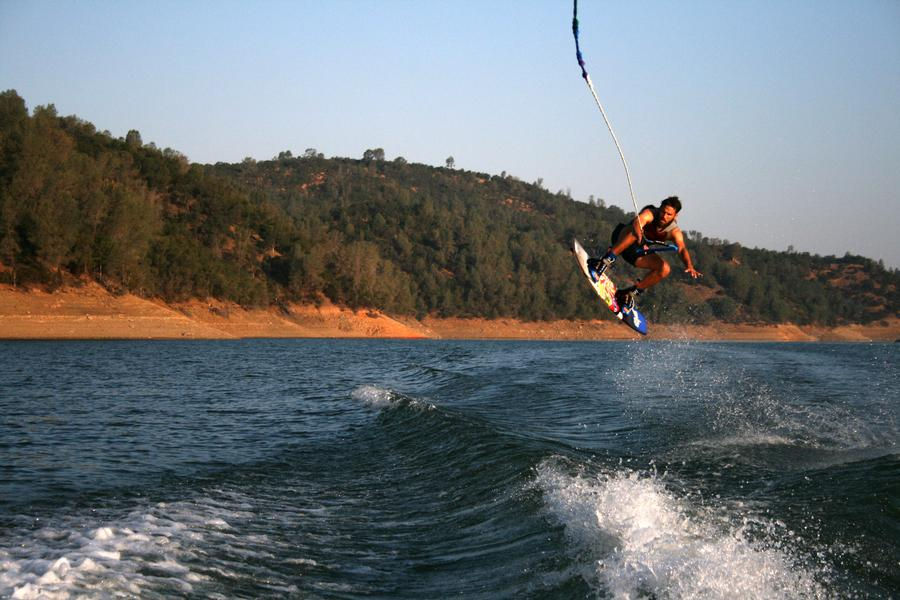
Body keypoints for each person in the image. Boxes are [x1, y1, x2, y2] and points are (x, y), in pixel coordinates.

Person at [587, 196, 702, 311]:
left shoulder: (674, 232)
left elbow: (682, 248)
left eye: (669, 214)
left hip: (635, 252)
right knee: (633, 232)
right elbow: (638, 222)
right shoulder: (650, 213)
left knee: (665, 269)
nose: (664, 216)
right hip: (621, 239)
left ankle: (629, 294)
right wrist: (638, 234)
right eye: (663, 212)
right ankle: (603, 262)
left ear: (675, 216)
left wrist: (689, 265)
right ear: (659, 208)